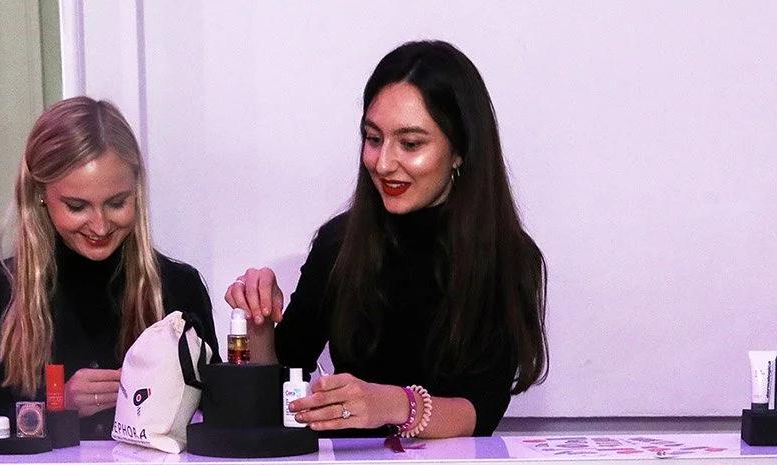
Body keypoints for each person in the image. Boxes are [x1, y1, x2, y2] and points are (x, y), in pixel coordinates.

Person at [226, 40, 547, 438]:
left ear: (460, 150)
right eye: (373, 138)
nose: (383, 163)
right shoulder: (340, 244)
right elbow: (282, 385)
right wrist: (258, 317)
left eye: (410, 144)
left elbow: (481, 411)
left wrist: (392, 405)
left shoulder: (508, 257)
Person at [0, 97, 216, 441]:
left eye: (116, 203)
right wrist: (56, 405)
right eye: (77, 207)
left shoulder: (178, 286)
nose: (100, 226)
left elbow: (217, 421)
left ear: (136, 191)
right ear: (40, 195)